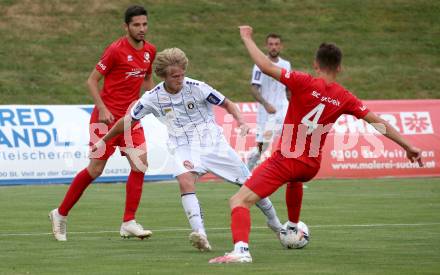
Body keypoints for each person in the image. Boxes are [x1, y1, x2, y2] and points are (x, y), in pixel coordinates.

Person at [208, 25, 423, 264]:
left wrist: (246, 38)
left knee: (238, 201)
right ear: (340, 68)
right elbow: (378, 123)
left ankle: (241, 251)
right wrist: (407, 145)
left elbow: (266, 66)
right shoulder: (345, 97)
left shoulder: (302, 81)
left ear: (315, 64)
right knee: (294, 180)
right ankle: (291, 226)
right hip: (310, 165)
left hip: (287, 159)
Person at [92, 47, 283, 252]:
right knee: (184, 181)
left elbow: (228, 104)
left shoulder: (197, 87)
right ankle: (200, 234)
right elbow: (127, 121)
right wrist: (104, 139)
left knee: (250, 186)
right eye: (175, 76)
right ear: (163, 76)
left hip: (213, 144)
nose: (180, 79)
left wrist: (241, 121)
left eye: (182, 74)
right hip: (183, 147)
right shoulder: (153, 97)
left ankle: (276, 223)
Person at [49, 5, 156, 241]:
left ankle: (129, 221)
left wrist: (149, 101)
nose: (141, 29)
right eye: (136, 25)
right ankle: (60, 213)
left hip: (131, 120)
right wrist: (103, 108)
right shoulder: (116, 50)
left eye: (144, 24)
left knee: (140, 165)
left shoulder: (150, 51)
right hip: (105, 120)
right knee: (95, 169)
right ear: (126, 26)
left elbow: (148, 78)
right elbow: (91, 80)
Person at [247, 33, 291, 171]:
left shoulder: (286, 65)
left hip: (284, 109)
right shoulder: (260, 64)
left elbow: (289, 88)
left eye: (276, 44)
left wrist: (295, 105)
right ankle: (250, 163)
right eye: (271, 44)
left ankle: (292, 178)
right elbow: (254, 88)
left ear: (281, 46)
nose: (274, 47)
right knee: (263, 146)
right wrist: (266, 104)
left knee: (291, 141)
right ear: (266, 46)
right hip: (267, 112)